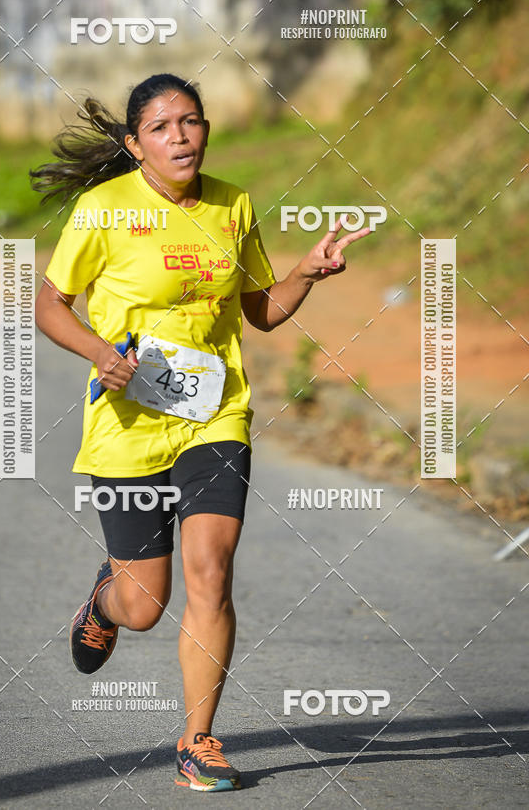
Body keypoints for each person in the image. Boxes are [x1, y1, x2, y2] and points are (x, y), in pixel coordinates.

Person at [32, 73, 369, 792]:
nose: (180, 136)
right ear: (135, 144)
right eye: (161, 127)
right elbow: (50, 303)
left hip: (215, 414)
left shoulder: (232, 204)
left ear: (206, 130)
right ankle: (105, 601)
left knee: (211, 570)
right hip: (127, 423)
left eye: (191, 121)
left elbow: (261, 310)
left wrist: (307, 271)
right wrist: (100, 353)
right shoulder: (103, 210)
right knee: (144, 606)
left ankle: (197, 741)